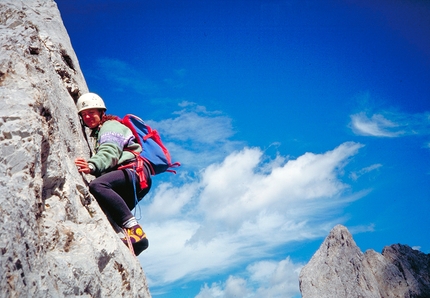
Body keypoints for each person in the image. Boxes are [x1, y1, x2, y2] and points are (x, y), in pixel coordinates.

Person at [74, 92, 150, 255]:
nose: (87, 117)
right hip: (135, 177)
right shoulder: (102, 131)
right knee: (113, 213)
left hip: (132, 171)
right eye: (84, 114)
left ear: (102, 113)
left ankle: (137, 235)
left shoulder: (110, 127)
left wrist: (92, 165)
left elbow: (110, 152)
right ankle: (132, 242)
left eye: (91, 113)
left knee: (98, 185)